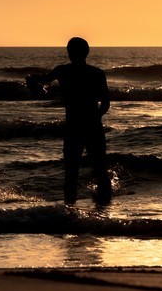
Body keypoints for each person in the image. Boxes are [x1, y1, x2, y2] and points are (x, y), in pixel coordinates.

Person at [27, 37, 112, 205]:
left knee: (71, 172)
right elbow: (106, 103)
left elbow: (42, 82)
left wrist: (30, 79)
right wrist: (96, 117)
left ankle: (70, 210)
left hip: (73, 126)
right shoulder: (96, 73)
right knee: (100, 169)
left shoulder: (62, 71)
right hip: (94, 126)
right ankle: (104, 208)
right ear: (87, 52)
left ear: (69, 52)